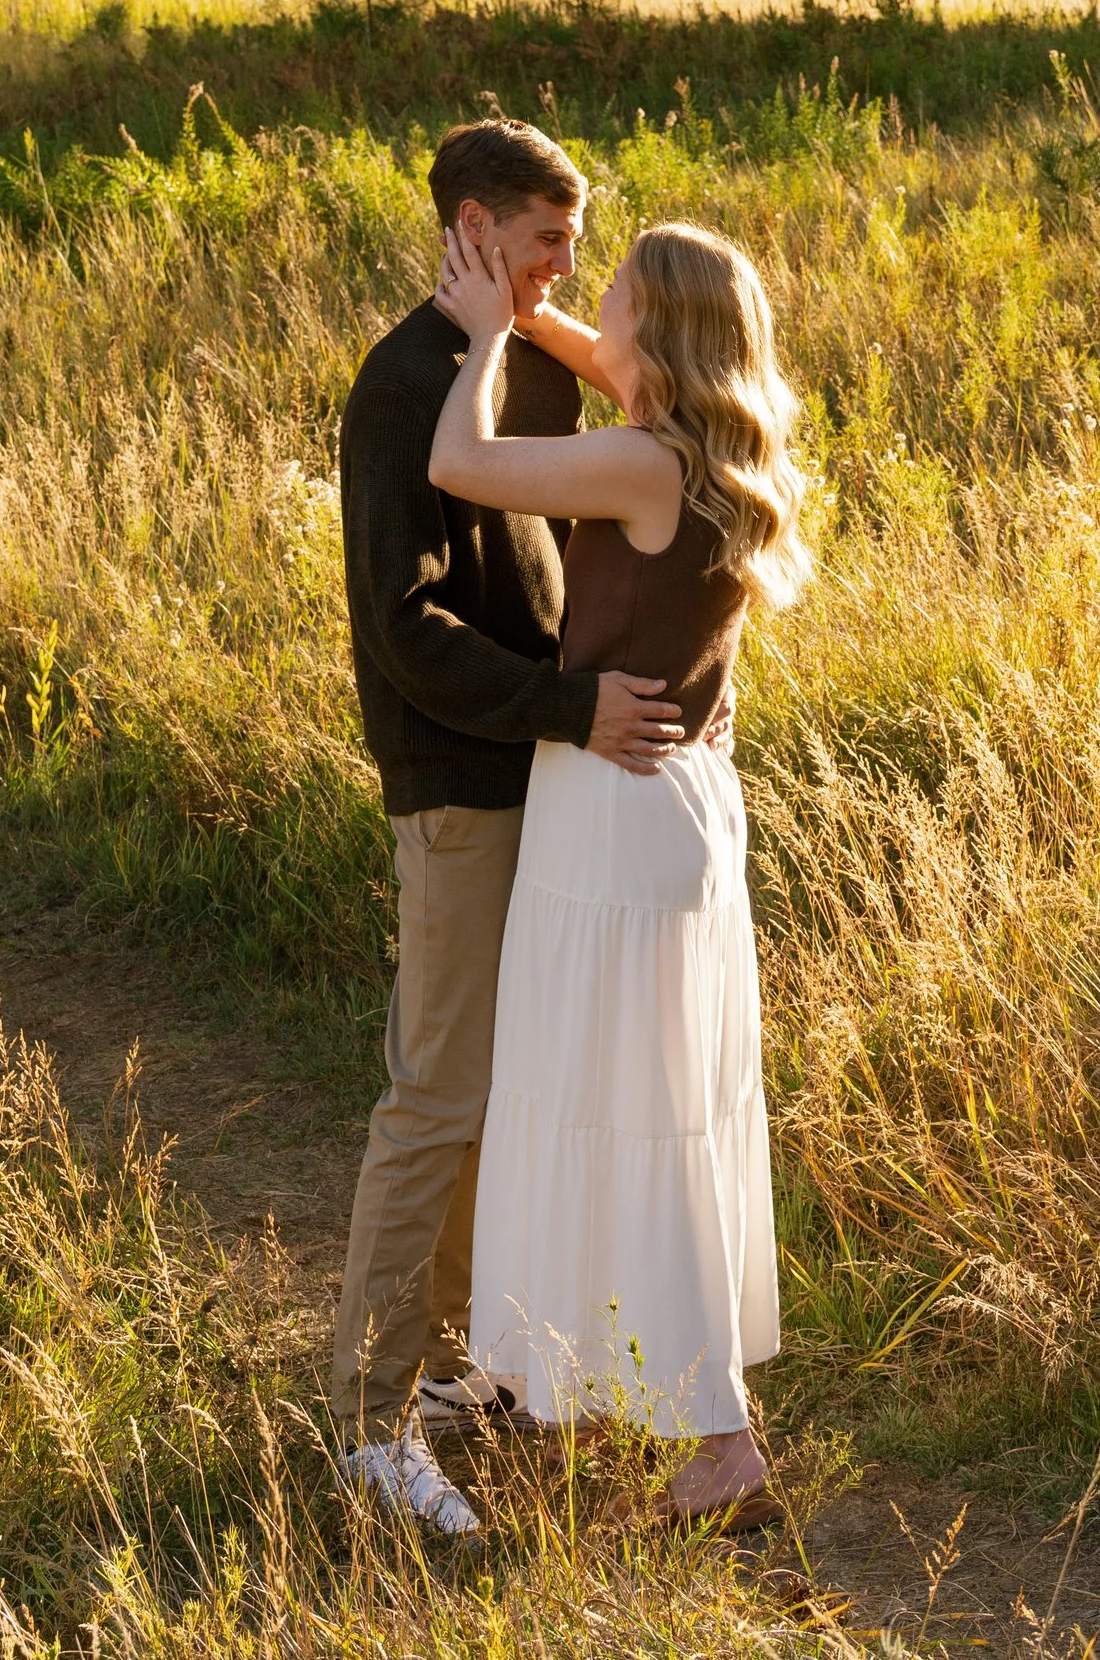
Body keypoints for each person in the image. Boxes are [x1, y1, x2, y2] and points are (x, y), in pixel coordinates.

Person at [332, 118, 688, 1540]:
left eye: (577, 238)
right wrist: (568, 703)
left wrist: (529, 315)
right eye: (545, 238)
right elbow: (403, 630)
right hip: (461, 782)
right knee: (434, 1092)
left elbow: (668, 411)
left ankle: (458, 1365)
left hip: (546, 771)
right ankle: (365, 1420)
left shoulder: (529, 364)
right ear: (470, 228)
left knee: (503, 1085)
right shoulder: (402, 386)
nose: (567, 264)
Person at [428, 213, 811, 1530]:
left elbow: (463, 463)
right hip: (683, 799)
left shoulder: (643, 465)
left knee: (622, 1114)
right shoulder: (720, 448)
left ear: (667, 333)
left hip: (614, 808)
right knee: (643, 1112)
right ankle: (597, 1400)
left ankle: (719, 1443)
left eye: (617, 295)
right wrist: (529, 304)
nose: (598, 306)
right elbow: (603, 362)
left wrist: (484, 335)